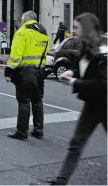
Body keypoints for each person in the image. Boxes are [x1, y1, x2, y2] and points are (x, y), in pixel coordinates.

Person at [46, 13, 107, 185]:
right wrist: (72, 72)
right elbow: (82, 68)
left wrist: (74, 81)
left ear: (86, 28)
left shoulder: (104, 49)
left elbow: (104, 83)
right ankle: (61, 180)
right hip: (93, 104)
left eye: (76, 27)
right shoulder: (86, 47)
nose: (73, 31)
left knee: (77, 141)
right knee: (77, 142)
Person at [4, 11, 50, 140]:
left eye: (22, 19)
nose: (22, 22)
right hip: (40, 71)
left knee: (24, 102)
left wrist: (9, 70)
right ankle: (38, 130)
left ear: (26, 19)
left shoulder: (22, 32)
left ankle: (22, 132)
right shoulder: (44, 34)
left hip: (25, 72)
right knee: (37, 101)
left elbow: (16, 54)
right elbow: (46, 52)